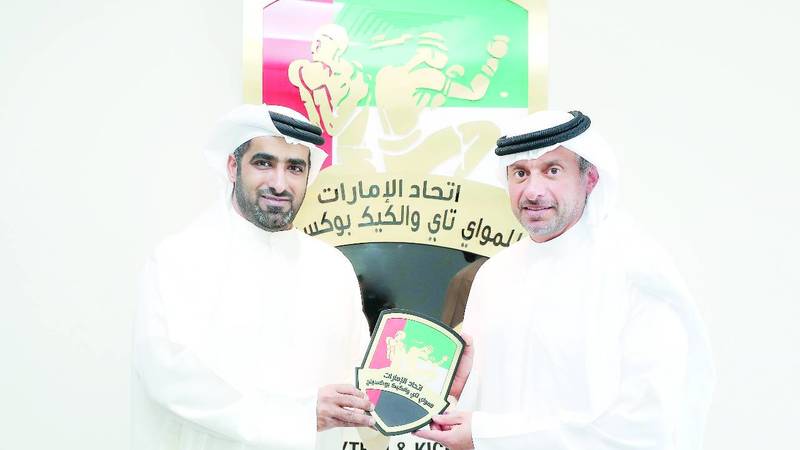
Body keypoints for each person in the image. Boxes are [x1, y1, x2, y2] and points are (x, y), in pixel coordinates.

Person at [415, 111, 715, 450]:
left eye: (552, 171)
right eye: (520, 173)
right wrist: (460, 388)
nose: (533, 191)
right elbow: (489, 406)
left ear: (590, 179)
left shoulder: (634, 270)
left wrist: (488, 434)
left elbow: (644, 426)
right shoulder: (495, 275)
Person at [132, 104, 375, 450]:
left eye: (294, 168)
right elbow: (168, 376)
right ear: (233, 167)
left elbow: (361, 379)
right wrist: (299, 415)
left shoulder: (333, 270)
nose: (279, 183)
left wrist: (425, 392)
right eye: (264, 163)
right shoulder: (180, 260)